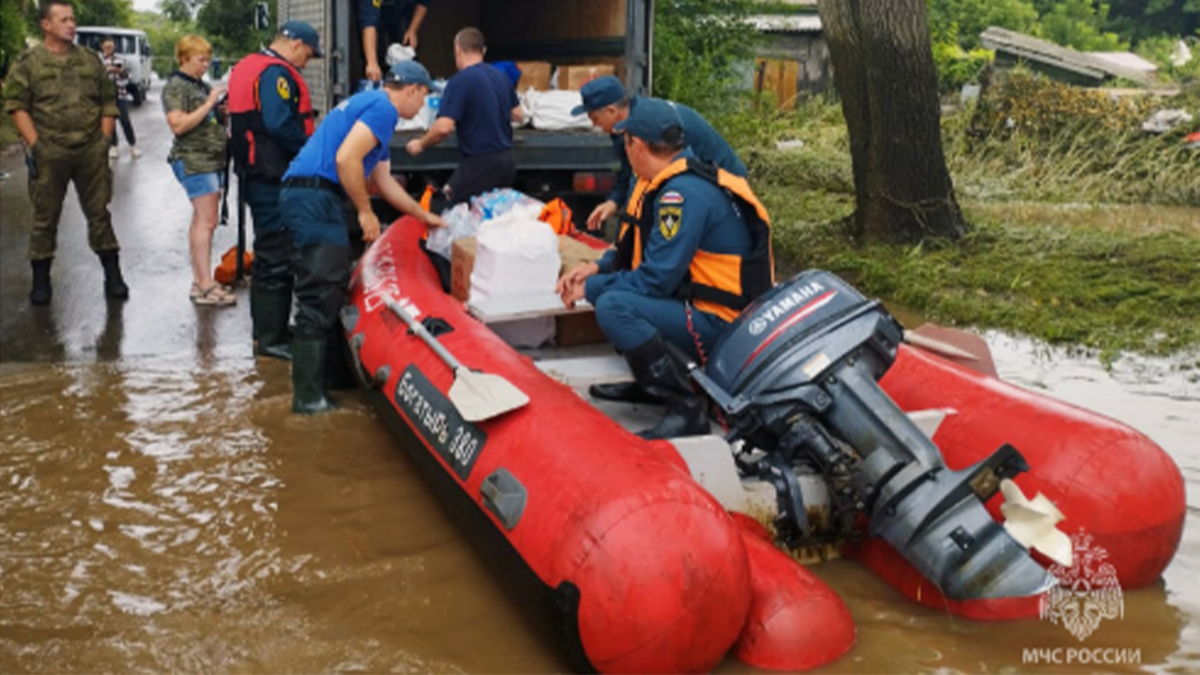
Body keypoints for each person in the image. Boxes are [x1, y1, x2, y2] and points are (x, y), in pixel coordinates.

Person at [556, 98, 773, 440]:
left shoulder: (682, 196)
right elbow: (641, 253)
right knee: (614, 291)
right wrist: (596, 269)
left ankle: (686, 410)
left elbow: (655, 280)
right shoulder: (669, 182)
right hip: (705, 307)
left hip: (722, 324)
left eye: (625, 143)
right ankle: (649, 385)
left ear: (638, 146)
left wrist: (594, 290)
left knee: (615, 306)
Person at [281, 60, 444, 414]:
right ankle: (308, 400)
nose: (424, 108)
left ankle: (322, 386)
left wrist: (423, 215)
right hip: (315, 198)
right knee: (320, 293)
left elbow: (383, 182)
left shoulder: (372, 107)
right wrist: (365, 212)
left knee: (329, 285)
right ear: (413, 90)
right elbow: (346, 159)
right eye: (426, 97)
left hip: (310, 197)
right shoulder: (383, 108)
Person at [2, 0, 129, 306]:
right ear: (46, 25)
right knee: (45, 217)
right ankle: (41, 281)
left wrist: (103, 140)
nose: (71, 24)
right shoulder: (29, 62)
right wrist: (37, 146)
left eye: (72, 19)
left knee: (99, 214)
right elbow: (17, 106)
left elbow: (108, 102)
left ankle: (113, 276)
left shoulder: (89, 60)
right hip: (50, 152)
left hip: (90, 151)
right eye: (63, 19)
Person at [228, 21, 322, 359]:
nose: (306, 63)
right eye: (308, 55)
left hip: (257, 173)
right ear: (295, 45)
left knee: (271, 253)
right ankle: (271, 340)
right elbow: (279, 123)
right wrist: (313, 148)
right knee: (275, 256)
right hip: (271, 176)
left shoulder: (248, 65)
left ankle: (269, 332)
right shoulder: (275, 74)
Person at [570, 76, 748, 232]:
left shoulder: (647, 126)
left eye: (594, 118)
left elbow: (646, 185)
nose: (594, 125)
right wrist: (614, 202)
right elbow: (629, 170)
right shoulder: (624, 125)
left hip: (724, 183)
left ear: (612, 111)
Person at [405, 27, 523, 205]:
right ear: (483, 51)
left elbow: (443, 128)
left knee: (450, 209)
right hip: (506, 162)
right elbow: (518, 114)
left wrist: (420, 144)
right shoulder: (501, 77)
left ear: (457, 50)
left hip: (479, 163)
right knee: (490, 214)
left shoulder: (460, 81)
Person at [163, 34, 235, 306]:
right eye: (200, 59)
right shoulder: (176, 87)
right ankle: (205, 285)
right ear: (184, 58)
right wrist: (208, 104)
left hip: (210, 160)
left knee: (201, 222)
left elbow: (208, 120)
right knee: (207, 222)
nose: (205, 65)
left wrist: (220, 111)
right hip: (195, 161)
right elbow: (178, 124)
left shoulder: (199, 86)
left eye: (208, 59)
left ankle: (200, 280)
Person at [360, 0, 430, 82]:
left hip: (402, 13)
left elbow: (423, 2)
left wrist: (412, 30)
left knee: (407, 53)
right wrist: (372, 62)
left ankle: (411, 82)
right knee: (375, 57)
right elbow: (369, 22)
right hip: (377, 16)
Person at [100, 37, 140, 160]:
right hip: (106, 96)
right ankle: (114, 146)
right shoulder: (98, 60)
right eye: (106, 47)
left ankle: (133, 146)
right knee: (110, 122)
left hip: (121, 93)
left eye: (111, 47)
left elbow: (129, 75)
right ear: (101, 46)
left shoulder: (121, 59)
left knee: (125, 121)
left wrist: (118, 70)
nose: (109, 50)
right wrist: (105, 71)